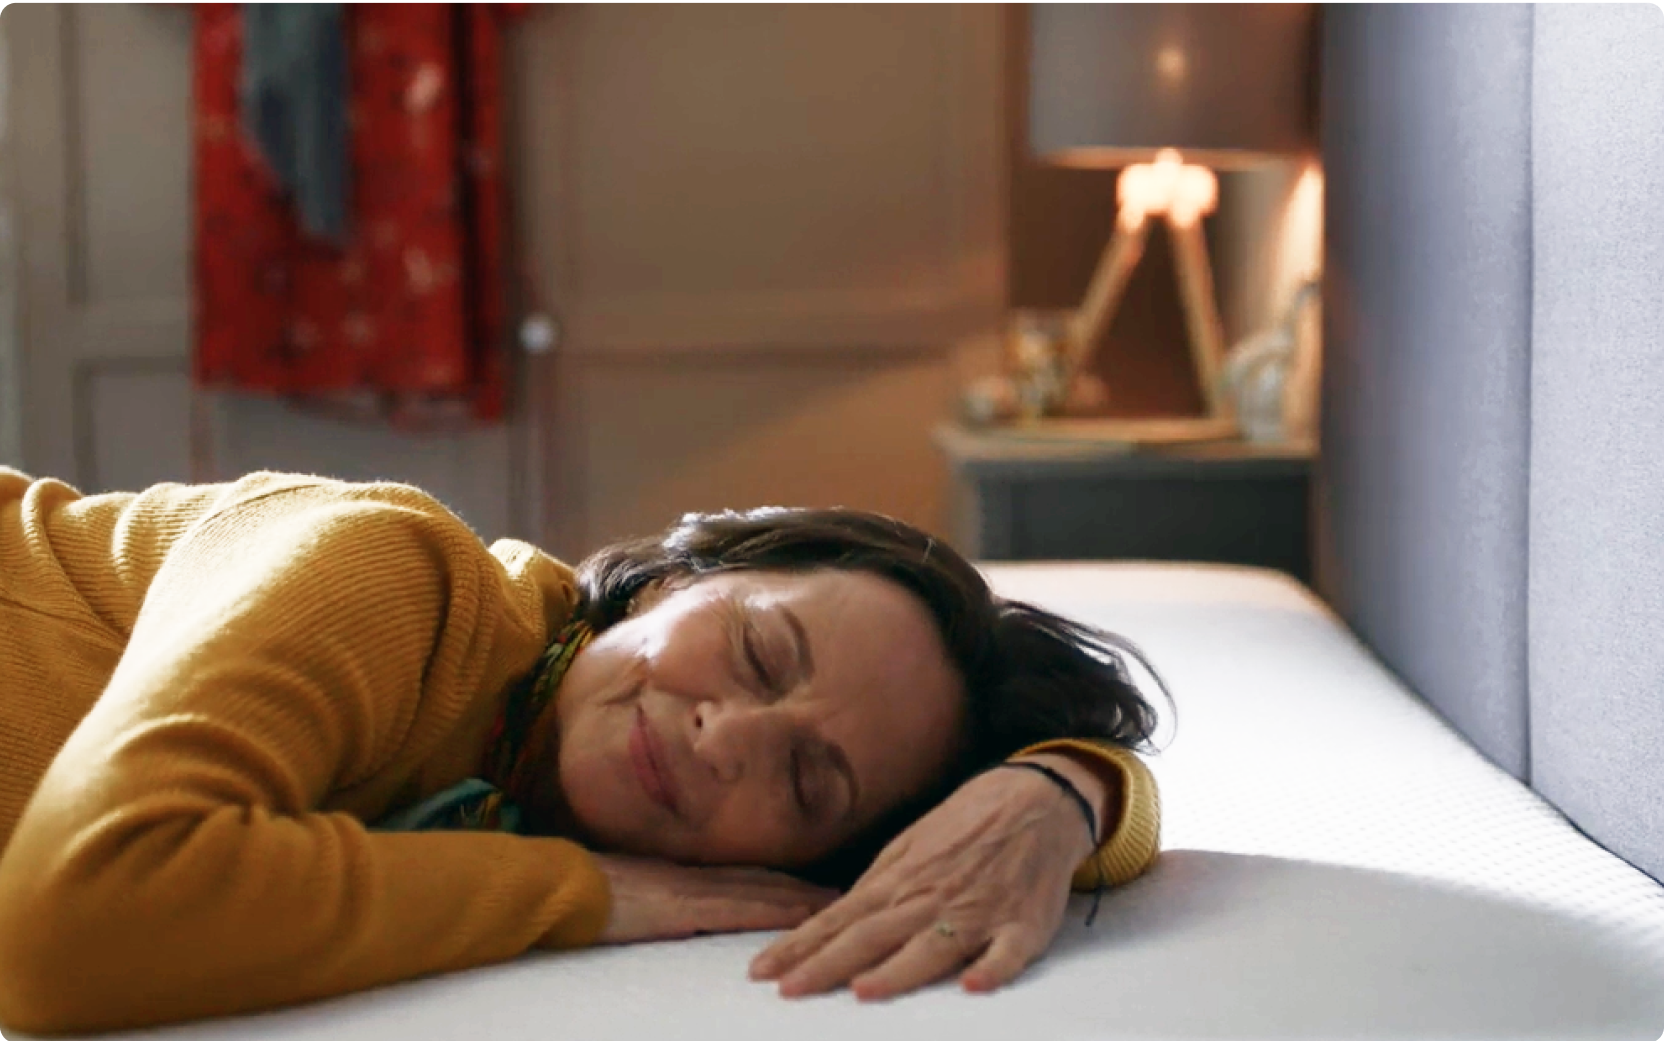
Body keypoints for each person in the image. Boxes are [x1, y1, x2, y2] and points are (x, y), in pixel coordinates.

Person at [0, 468, 1166, 1036]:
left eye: (808, 781)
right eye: (757, 653)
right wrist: (575, 895)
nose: (727, 737)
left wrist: (1063, 791)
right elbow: (66, 928)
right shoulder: (386, 571)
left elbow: (1101, 842)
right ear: (666, 582)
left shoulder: (521, 780)